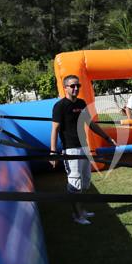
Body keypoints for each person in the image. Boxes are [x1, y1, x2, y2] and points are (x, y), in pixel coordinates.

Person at [51, 75, 117, 225]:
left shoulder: (81, 103)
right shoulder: (59, 106)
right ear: (65, 88)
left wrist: (107, 137)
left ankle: (82, 210)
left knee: (85, 181)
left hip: (84, 147)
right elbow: (55, 129)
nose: (76, 88)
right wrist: (53, 152)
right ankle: (77, 215)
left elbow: (91, 124)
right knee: (75, 184)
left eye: (78, 86)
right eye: (72, 86)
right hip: (71, 150)